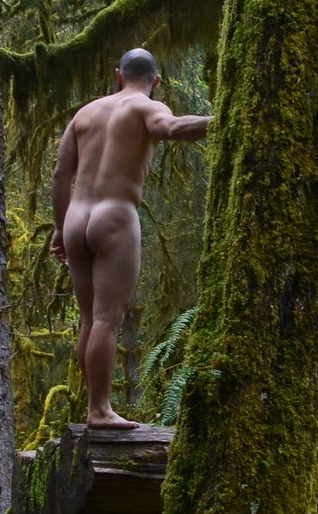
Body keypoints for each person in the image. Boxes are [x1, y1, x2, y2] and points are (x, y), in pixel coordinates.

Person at [51, 48, 211, 429]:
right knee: (108, 318)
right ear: (155, 81)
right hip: (115, 215)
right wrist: (225, 120)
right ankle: (100, 411)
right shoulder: (146, 107)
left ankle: (95, 406)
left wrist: (59, 228)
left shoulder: (85, 113)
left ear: (118, 75)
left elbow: (60, 174)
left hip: (76, 216)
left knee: (89, 319)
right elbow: (170, 129)